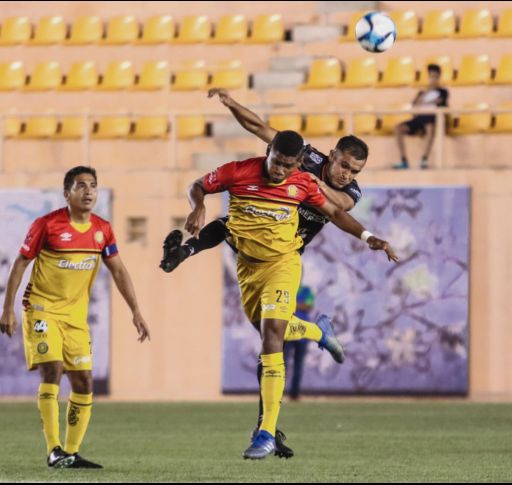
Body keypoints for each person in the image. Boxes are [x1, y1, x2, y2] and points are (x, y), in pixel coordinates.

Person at [185, 129, 397, 460]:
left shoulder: (314, 184)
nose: (348, 174)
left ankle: (266, 433)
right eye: (344, 165)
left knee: (272, 338)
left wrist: (369, 236)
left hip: (285, 259)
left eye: (355, 171)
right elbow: (257, 126)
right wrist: (229, 102)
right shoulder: (247, 171)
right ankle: (318, 331)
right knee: (273, 329)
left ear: (297, 163)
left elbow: (338, 210)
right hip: (250, 262)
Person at [0, 166, 151, 469]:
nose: (88, 192)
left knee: (83, 380)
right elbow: (19, 264)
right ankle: (53, 449)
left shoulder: (102, 230)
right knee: (52, 370)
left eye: (93, 186)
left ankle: (70, 452)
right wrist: (7, 309)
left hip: (75, 317)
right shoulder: (47, 225)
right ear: (67, 193)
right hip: (41, 309)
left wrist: (136, 310)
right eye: (80, 186)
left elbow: (118, 270)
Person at [393, 64, 449, 170]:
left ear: (438, 77)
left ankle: (424, 158)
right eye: (431, 76)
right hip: (419, 119)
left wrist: (426, 100)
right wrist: (427, 92)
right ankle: (404, 160)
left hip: (431, 118)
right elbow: (414, 104)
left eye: (435, 77)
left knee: (430, 128)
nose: (433, 79)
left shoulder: (443, 92)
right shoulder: (422, 92)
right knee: (398, 128)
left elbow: (440, 102)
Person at [284, 286, 315, 401]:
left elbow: (309, 306)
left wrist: (295, 305)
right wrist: (299, 305)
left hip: (302, 333)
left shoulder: (306, 290)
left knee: (298, 364)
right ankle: (278, 392)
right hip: (289, 332)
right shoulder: (288, 289)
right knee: (283, 364)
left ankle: (294, 393)